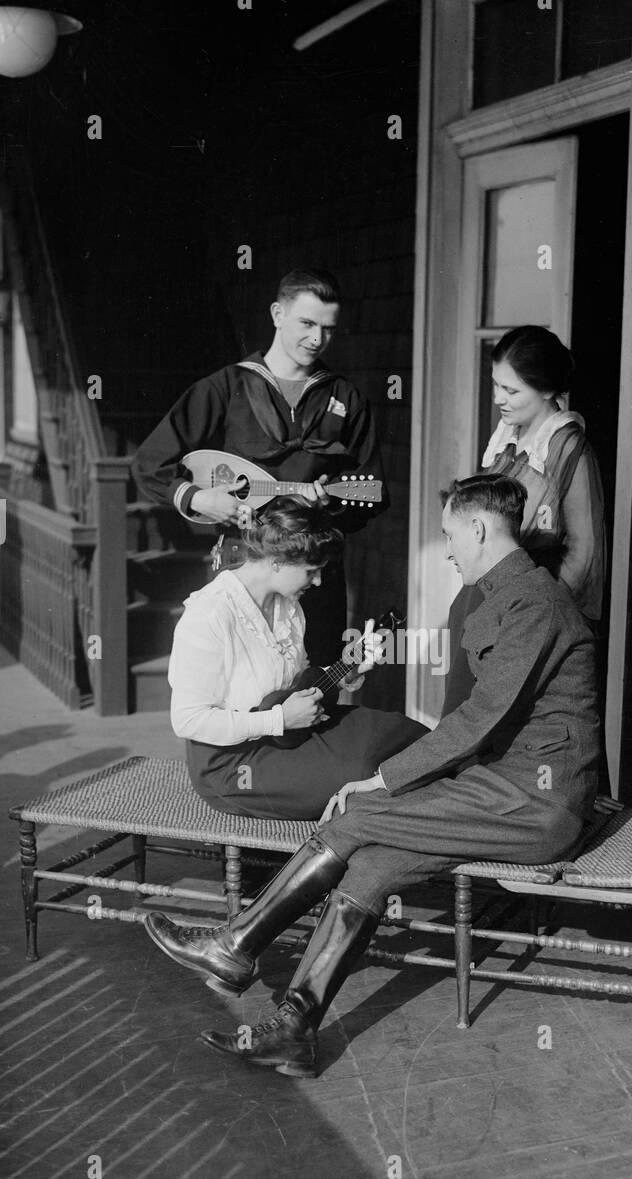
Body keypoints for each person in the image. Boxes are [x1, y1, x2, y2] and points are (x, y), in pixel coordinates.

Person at [144, 475, 602, 1076]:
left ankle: (235, 944)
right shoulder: (511, 596)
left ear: (480, 529)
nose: (447, 550)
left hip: (534, 804)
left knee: (357, 811)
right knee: (373, 862)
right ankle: (296, 1027)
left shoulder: (532, 604)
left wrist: (383, 779)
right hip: (502, 791)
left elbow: (479, 722)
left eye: (449, 535)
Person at [131, 268, 386, 664]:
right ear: (277, 314)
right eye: (306, 323)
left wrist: (329, 507)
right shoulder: (226, 387)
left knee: (314, 680)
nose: (317, 339)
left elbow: (372, 492)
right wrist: (198, 499)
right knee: (238, 684)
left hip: (313, 571)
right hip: (244, 565)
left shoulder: (346, 398)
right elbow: (149, 464)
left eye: (328, 328)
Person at [166, 496, 425, 828]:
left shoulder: (289, 608)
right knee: (364, 776)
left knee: (402, 734)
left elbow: (298, 685)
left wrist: (349, 671)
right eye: (311, 571)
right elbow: (187, 721)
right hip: (233, 765)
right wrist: (278, 720)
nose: (317, 582)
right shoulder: (210, 614)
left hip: (291, 735)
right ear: (277, 562)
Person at [442, 325, 605, 717]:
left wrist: (532, 619)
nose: (498, 398)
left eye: (511, 391)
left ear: (547, 390)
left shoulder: (568, 451)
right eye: (497, 385)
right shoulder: (505, 441)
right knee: (461, 716)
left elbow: (583, 553)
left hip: (525, 615)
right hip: (484, 601)